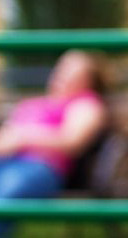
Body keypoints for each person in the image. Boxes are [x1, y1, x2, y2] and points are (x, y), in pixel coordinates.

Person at [0, 50, 107, 236]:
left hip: (41, 168)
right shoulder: (38, 102)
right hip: (7, 161)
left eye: (73, 72)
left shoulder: (86, 105)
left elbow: (72, 141)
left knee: (5, 197)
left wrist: (23, 137)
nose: (63, 75)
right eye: (62, 69)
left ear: (89, 81)